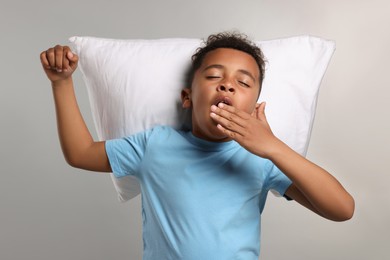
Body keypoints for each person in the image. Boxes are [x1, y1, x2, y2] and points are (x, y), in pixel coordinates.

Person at [40, 32, 354, 259]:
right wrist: (62, 83)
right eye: (214, 76)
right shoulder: (155, 145)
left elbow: (342, 209)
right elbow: (80, 153)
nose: (227, 84)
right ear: (188, 98)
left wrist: (273, 146)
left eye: (243, 83)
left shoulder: (262, 158)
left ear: (253, 107)